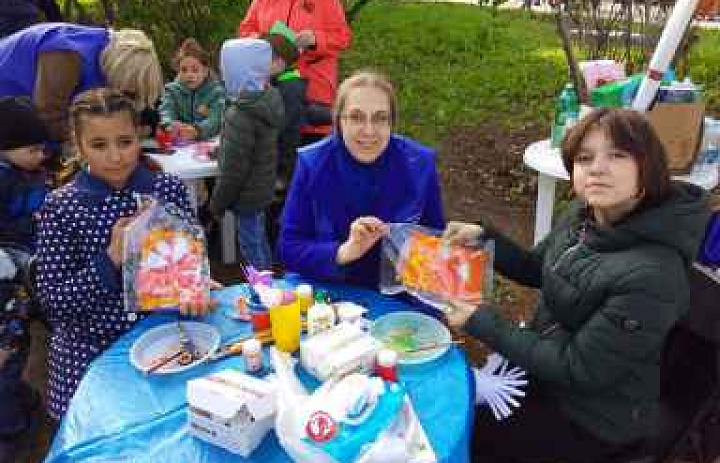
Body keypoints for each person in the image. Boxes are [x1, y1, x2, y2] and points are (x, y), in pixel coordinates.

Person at [442, 107, 709, 463]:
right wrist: (484, 238)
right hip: (545, 369)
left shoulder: (654, 276)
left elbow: (579, 370)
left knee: (476, 441)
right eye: (585, 158)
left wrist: (481, 322)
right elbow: (536, 268)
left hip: (592, 416)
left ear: (648, 167)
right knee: (453, 411)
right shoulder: (584, 218)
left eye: (617, 155)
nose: (597, 167)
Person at [35, 88, 213, 421]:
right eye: (99, 145)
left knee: (185, 421)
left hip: (161, 334)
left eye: (125, 142)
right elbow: (54, 303)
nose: (115, 157)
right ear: (79, 144)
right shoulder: (62, 207)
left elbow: (186, 265)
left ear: (139, 136)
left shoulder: (167, 189)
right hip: (89, 347)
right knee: (98, 436)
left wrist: (195, 284)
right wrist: (111, 258)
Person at [278, 70, 445, 289]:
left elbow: (436, 241)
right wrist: (344, 251)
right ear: (339, 121)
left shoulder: (419, 165)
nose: (368, 131)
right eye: (356, 117)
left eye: (380, 118)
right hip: (328, 293)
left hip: (397, 299)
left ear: (391, 123)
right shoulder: (313, 163)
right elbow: (288, 248)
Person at [0, 23, 163, 148]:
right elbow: (48, 117)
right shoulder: (66, 56)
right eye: (129, 93)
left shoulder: (104, 51)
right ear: (119, 72)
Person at [0, 96, 49, 462]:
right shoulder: (4, 179)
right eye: (33, 149)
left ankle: (19, 398)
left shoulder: (27, 172)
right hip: (8, 282)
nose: (40, 155)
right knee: (8, 351)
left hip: (23, 272)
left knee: (21, 343)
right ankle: (12, 427)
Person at [208, 37, 285, 270]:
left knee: (251, 245)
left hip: (245, 194)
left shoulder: (239, 114)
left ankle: (264, 290)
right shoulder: (268, 98)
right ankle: (271, 279)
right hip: (262, 186)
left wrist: (217, 205)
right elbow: (252, 147)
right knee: (258, 238)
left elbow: (233, 170)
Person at [238, 0, 351, 141]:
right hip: (268, 91)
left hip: (313, 93)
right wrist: (259, 40)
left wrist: (315, 39)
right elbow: (245, 30)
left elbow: (342, 37)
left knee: (308, 154)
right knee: (270, 154)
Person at [158, 38, 225, 142]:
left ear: (205, 71)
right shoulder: (171, 91)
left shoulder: (216, 92)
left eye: (195, 70)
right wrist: (169, 124)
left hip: (207, 144)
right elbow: (166, 110)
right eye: (184, 70)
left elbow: (216, 119)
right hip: (178, 145)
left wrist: (197, 130)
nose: (189, 75)